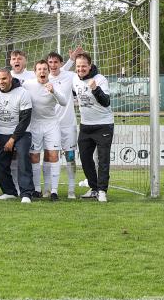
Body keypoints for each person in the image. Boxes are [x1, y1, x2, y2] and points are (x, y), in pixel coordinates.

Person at [73, 53, 114, 203]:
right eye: (78, 66)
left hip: (103, 125)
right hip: (85, 126)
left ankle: (102, 191)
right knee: (84, 159)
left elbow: (106, 102)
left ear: (90, 66)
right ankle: (94, 188)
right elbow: (71, 93)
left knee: (103, 159)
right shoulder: (74, 79)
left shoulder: (100, 79)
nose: (81, 69)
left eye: (84, 66)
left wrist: (96, 89)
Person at [0, 67, 33, 203]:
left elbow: (25, 119)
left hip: (21, 133)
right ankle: (10, 192)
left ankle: (26, 193)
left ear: (10, 79)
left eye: (4, 78)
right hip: (0, 132)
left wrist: (12, 139)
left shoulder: (23, 93)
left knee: (23, 157)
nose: (1, 81)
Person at [24, 60, 68, 200]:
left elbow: (64, 102)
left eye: (45, 69)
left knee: (53, 155)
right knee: (35, 156)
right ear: (35, 71)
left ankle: (53, 190)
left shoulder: (55, 85)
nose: (42, 71)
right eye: (39, 69)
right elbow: (14, 87)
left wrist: (53, 91)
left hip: (51, 124)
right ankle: (37, 189)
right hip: (34, 124)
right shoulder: (28, 84)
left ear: (48, 71)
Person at [47, 51, 80, 199]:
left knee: (70, 157)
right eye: (50, 62)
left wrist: (72, 60)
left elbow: (82, 75)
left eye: (56, 62)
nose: (53, 65)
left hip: (68, 125)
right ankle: (48, 189)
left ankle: (71, 190)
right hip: (50, 126)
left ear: (60, 64)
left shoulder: (70, 76)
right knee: (49, 157)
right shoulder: (43, 77)